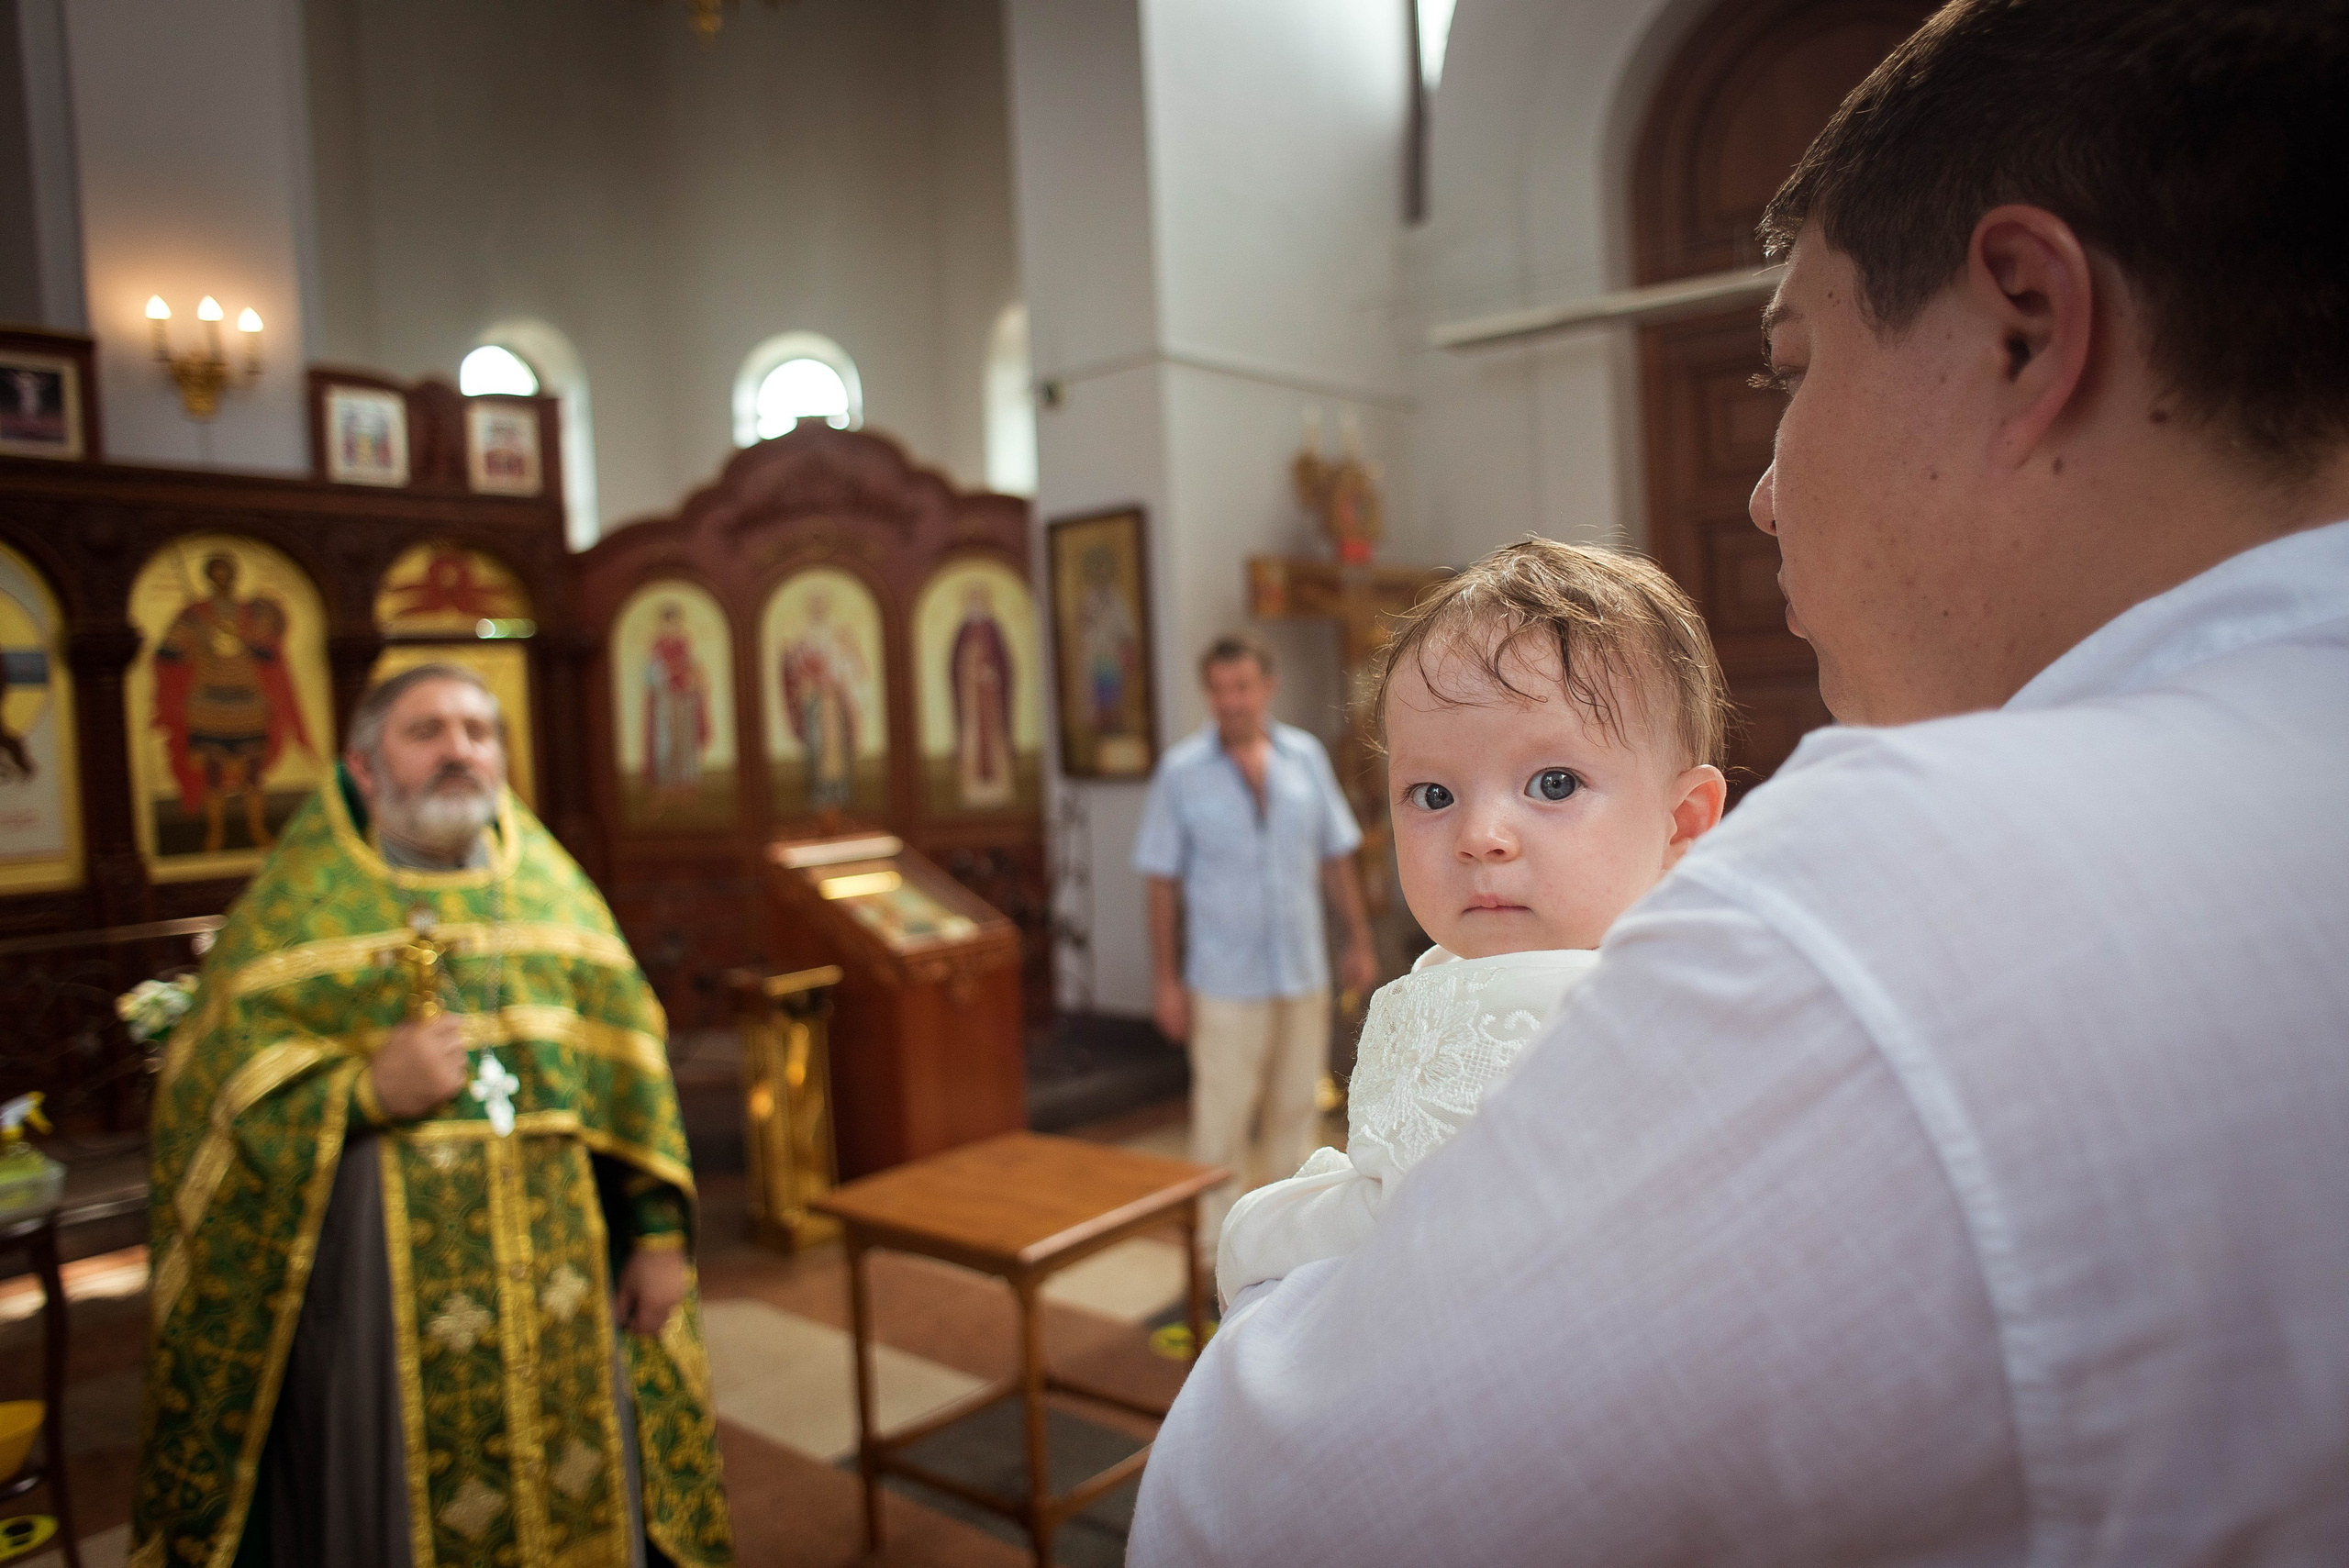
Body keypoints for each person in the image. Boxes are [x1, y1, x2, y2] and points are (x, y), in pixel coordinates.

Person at [1130, 1, 2349, 1562]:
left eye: (1793, 366)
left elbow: (1247, 1512)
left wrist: (1309, 1266)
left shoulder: (1884, 904)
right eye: (1432, 793)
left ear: (2025, 322)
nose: (1764, 486)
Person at [132, 664, 732, 1568]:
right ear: (365, 769)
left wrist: (658, 1240)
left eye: (478, 731)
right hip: (373, 1286)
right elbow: (210, 1102)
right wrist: (362, 1091)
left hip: (563, 1281)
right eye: (427, 731)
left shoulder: (554, 899)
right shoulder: (298, 909)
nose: (459, 749)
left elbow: (632, 1079)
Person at [1215, 541, 1728, 1307]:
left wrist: (1256, 1231)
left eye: (1553, 783)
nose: (1479, 834)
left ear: (1681, 821)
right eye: (1431, 794)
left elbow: (1408, 1233)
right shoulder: (1489, 961)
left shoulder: (1570, 1001)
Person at [1133, 632, 1379, 1255]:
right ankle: (1215, 1254)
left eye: (1241, 686)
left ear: (1267, 687)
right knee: (1219, 1119)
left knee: (1298, 1113)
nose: (1231, 701)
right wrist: (1165, 980)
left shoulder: (1305, 759)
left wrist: (1357, 938)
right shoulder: (1181, 773)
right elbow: (1161, 883)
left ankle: (1293, 1246)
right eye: (1218, 689)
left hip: (1300, 968)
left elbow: (1334, 857)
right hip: (1222, 979)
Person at [151, 551, 313, 853]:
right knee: (212, 772)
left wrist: (246, 642)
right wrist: (195, 649)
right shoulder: (194, 615)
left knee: (253, 773)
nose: (222, 578)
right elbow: (166, 652)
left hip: (248, 704)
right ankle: (215, 834)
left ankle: (257, 829)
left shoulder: (252, 614)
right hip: (210, 704)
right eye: (216, 572)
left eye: (227, 572)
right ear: (208, 577)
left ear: (235, 576)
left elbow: (270, 654)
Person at [642, 601, 708, 805]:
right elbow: (651, 675)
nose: (672, 625)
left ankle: (686, 786)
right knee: (666, 742)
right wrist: (668, 676)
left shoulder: (684, 644)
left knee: (685, 743)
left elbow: (696, 668)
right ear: (663, 623)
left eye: (675, 621)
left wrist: (692, 679)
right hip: (666, 701)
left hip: (685, 700)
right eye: (668, 621)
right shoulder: (658, 646)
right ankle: (665, 787)